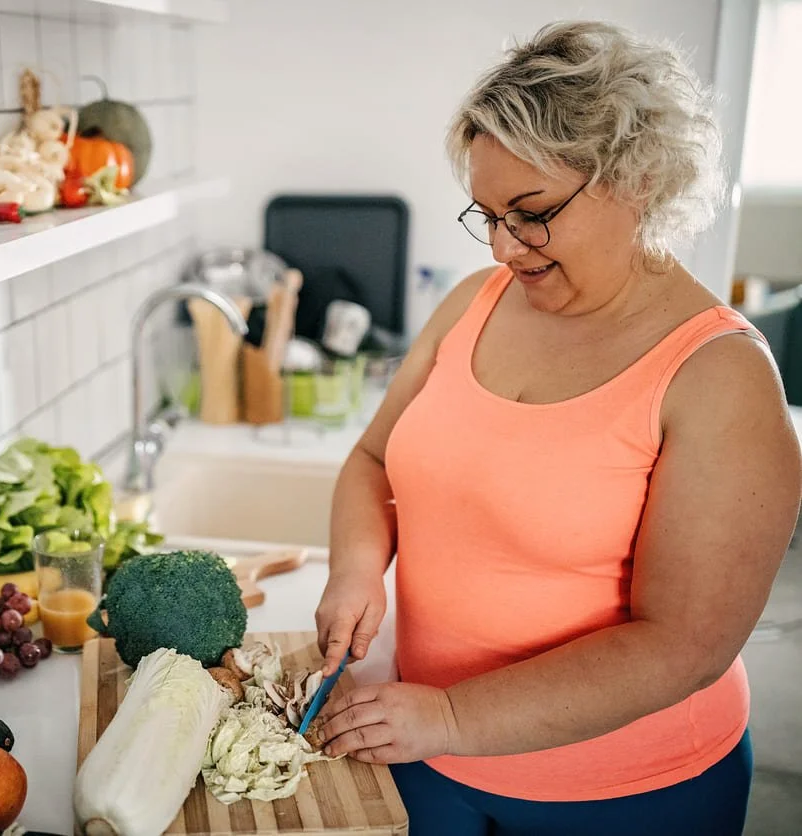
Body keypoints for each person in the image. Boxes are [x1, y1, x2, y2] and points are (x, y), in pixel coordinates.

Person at [313, 20, 802, 835]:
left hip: (631, 793)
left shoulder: (720, 378)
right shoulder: (473, 302)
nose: (505, 247)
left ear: (638, 179)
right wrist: (357, 568)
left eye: (532, 213)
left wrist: (456, 716)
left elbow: (682, 645)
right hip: (425, 753)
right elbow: (372, 460)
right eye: (488, 214)